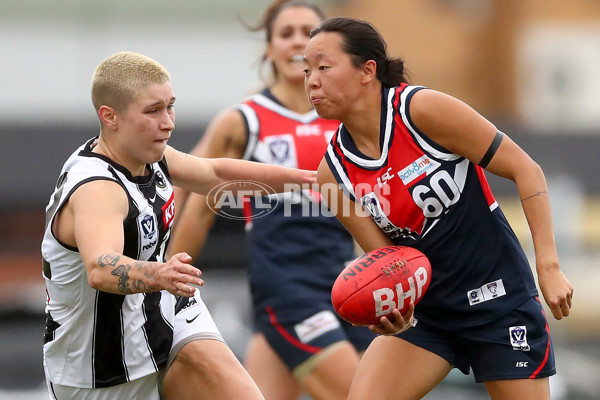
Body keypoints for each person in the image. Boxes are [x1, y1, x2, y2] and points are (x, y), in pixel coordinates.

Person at [303, 17, 575, 400]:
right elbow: (385, 259)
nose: (311, 80)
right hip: (429, 317)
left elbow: (526, 170)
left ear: (367, 71)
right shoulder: (331, 176)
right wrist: (393, 313)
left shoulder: (421, 110)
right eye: (307, 70)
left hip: (499, 301)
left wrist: (548, 267)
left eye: (323, 67)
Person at [41, 51, 316, 400]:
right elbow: (99, 267)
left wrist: (312, 179)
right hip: (100, 365)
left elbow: (215, 174)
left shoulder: (147, 155)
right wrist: (160, 275)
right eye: (153, 111)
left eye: (170, 106)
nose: (168, 122)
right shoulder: (99, 189)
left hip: (167, 314)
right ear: (109, 117)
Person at [166, 2, 376, 400]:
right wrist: (165, 285)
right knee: (366, 392)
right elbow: (190, 192)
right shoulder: (245, 119)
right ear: (268, 49)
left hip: (347, 279)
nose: (298, 41)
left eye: (309, 33)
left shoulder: (351, 118)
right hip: (286, 285)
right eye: (286, 33)